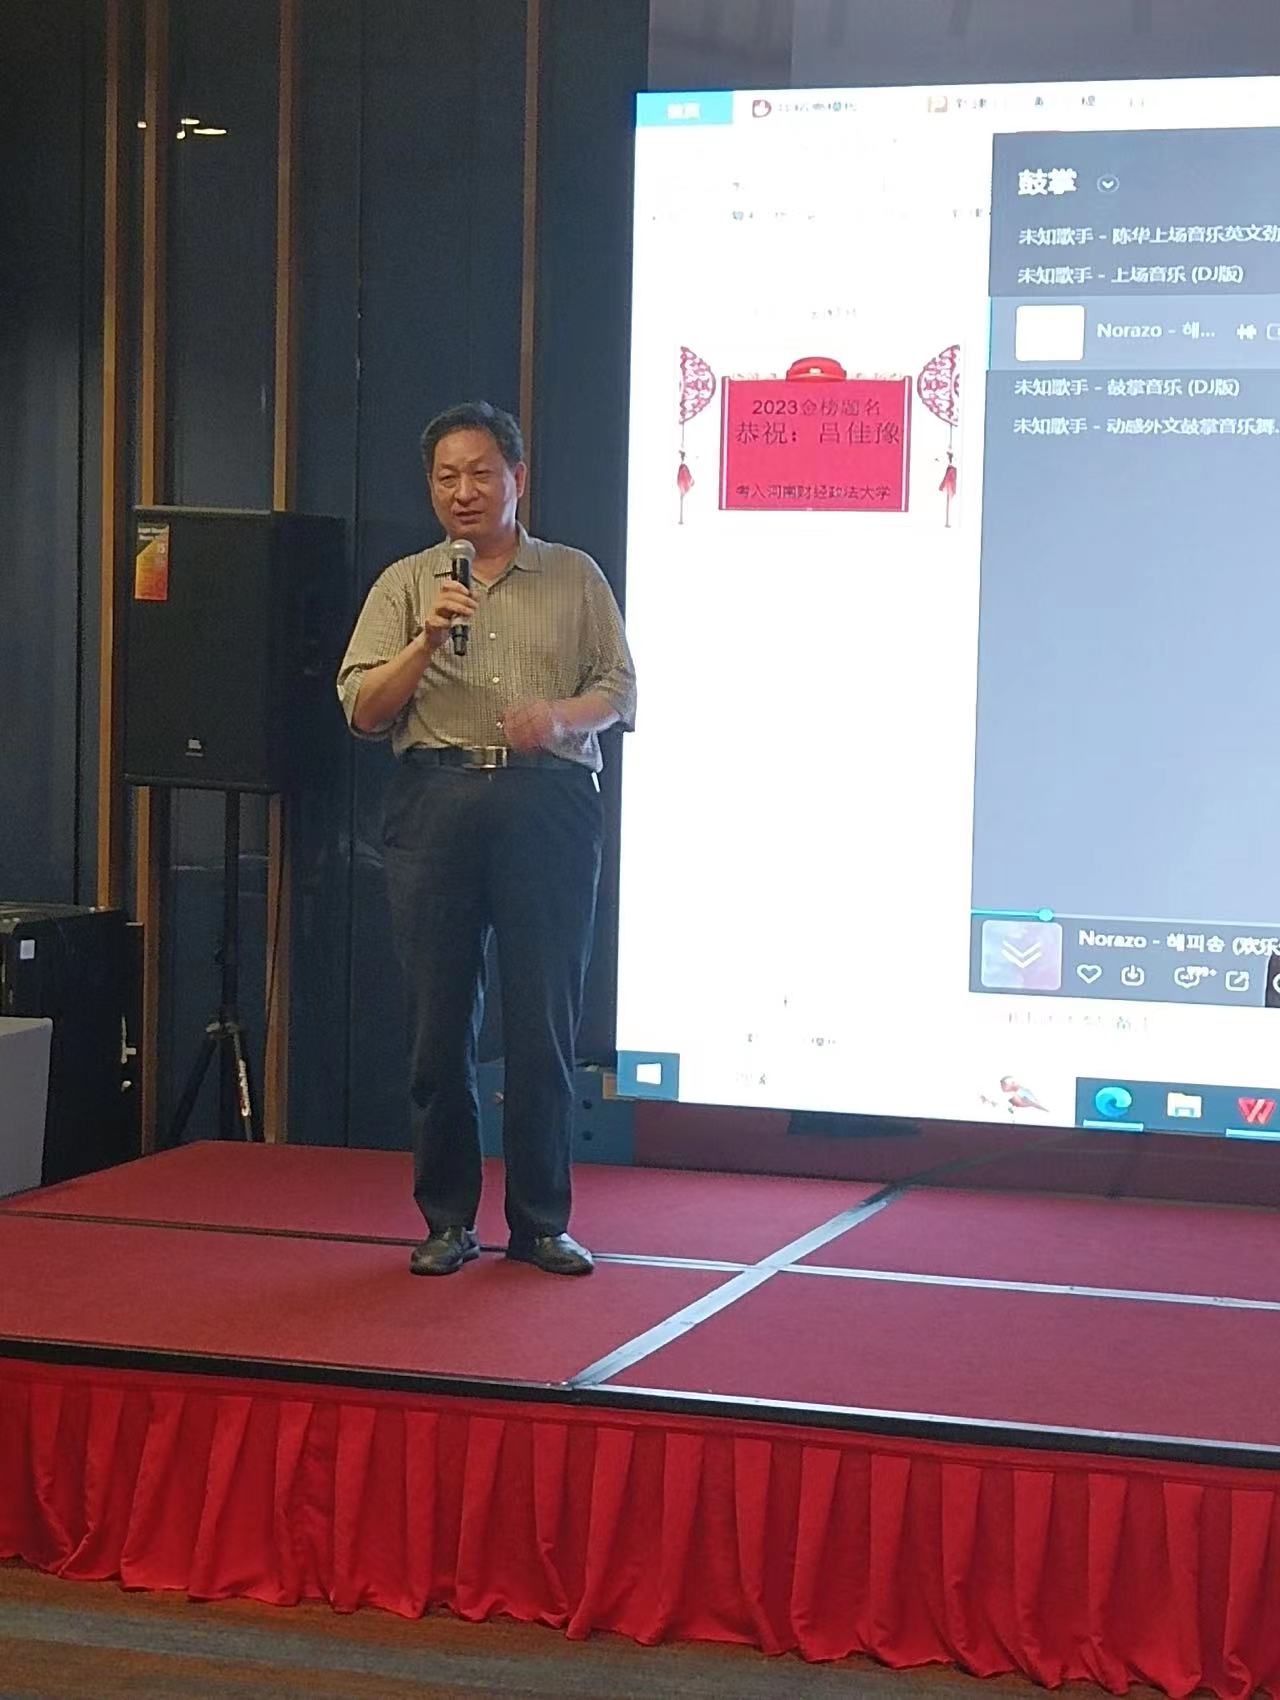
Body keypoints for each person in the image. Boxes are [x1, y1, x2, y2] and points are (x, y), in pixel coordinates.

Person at [337, 401, 636, 1278]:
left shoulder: (574, 576)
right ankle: (446, 1220)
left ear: (518, 479)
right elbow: (362, 709)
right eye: (445, 477)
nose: (462, 491)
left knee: (543, 1020)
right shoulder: (406, 585)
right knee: (438, 1025)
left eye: (479, 473)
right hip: (436, 802)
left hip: (548, 803)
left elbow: (620, 689)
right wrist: (427, 638)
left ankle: (541, 1222)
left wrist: (559, 717)